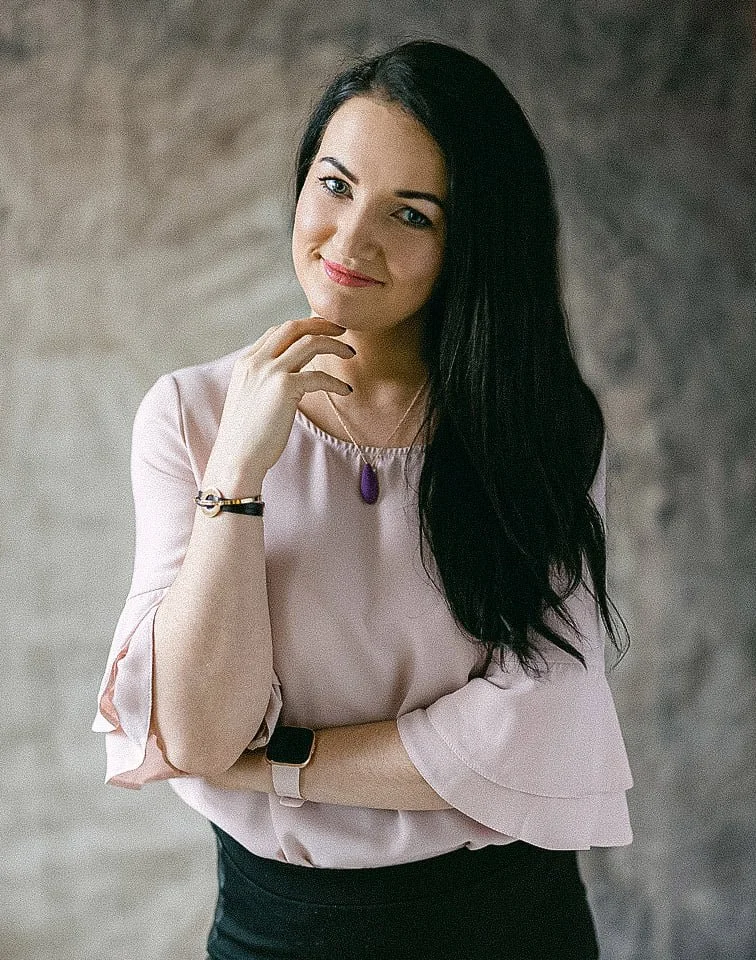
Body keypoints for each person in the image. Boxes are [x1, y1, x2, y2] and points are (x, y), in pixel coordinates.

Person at [93, 39, 633, 960]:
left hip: (510, 925)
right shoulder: (188, 415)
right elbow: (194, 727)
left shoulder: (541, 426)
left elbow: (529, 727)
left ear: (471, 239)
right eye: (335, 186)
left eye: (410, 215)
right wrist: (239, 470)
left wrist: (274, 765)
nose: (350, 242)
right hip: (281, 930)